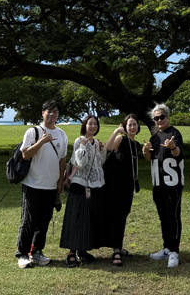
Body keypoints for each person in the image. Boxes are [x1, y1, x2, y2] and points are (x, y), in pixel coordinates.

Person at [15, 99, 68, 269]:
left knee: (44, 221)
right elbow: (25, 155)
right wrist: (42, 142)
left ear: (58, 115)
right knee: (29, 221)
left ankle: (36, 251)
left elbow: (62, 159)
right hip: (33, 184)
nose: (52, 114)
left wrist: (61, 180)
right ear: (43, 113)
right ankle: (22, 253)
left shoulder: (62, 134)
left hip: (51, 185)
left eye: (55, 112)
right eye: (49, 111)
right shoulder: (33, 132)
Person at [60, 114, 107, 267]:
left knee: (89, 218)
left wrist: (102, 150)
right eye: (90, 124)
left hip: (93, 185)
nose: (93, 126)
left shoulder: (96, 143)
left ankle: (83, 249)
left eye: (95, 124)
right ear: (84, 126)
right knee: (77, 218)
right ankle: (71, 253)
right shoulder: (79, 141)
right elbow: (80, 163)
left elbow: (99, 163)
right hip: (79, 185)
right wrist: (82, 146)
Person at [142, 103, 184, 268]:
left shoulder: (175, 133)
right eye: (156, 118)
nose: (159, 120)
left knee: (173, 217)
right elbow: (149, 158)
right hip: (158, 184)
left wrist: (173, 147)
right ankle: (167, 247)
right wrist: (145, 151)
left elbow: (178, 153)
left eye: (162, 117)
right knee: (163, 218)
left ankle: (174, 251)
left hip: (172, 184)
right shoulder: (154, 137)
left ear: (168, 117)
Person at [101, 113, 141, 266]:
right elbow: (108, 147)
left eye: (134, 124)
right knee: (116, 215)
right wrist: (116, 132)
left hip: (128, 184)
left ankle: (119, 245)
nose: (132, 127)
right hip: (115, 184)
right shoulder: (121, 139)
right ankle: (116, 249)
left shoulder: (136, 144)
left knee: (123, 214)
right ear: (125, 126)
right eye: (129, 124)